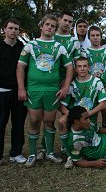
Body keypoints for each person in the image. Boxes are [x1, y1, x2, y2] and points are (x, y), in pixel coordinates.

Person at [16, 14, 73, 167]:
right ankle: (33, 154)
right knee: (34, 121)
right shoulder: (30, 45)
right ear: (41, 26)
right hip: (33, 90)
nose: (49, 27)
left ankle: (49, 153)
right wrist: (21, 88)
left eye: (53, 26)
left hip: (52, 92)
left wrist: (66, 86)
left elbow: (69, 67)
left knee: (49, 122)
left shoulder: (59, 47)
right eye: (47, 24)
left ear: (55, 29)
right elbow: (20, 67)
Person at [59, 56, 106, 168]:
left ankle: (80, 152)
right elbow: (62, 106)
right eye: (79, 66)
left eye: (84, 66)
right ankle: (69, 154)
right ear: (76, 69)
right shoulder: (71, 84)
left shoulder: (96, 82)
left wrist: (87, 115)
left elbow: (103, 104)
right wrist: (73, 116)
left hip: (88, 120)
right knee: (62, 121)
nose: (82, 69)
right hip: (75, 121)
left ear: (89, 68)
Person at [0, 18, 27, 165]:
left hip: (19, 91)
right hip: (2, 91)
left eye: (16, 29)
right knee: (0, 123)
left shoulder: (22, 48)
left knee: (18, 123)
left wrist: (23, 88)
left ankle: (16, 153)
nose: (13, 31)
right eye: (11, 28)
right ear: (4, 29)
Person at [85, 25, 106, 130]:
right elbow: (81, 70)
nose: (95, 37)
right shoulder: (85, 53)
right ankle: (94, 140)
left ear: (101, 37)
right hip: (91, 89)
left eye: (97, 35)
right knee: (92, 117)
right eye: (92, 35)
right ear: (89, 37)